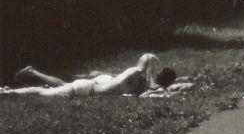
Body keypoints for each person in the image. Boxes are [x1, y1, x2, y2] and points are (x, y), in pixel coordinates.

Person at [3, 54, 176, 98]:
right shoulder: (135, 75)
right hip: (87, 89)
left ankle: (31, 72)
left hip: (92, 85)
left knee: (61, 85)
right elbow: (138, 90)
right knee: (42, 92)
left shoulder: (136, 75)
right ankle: (8, 93)